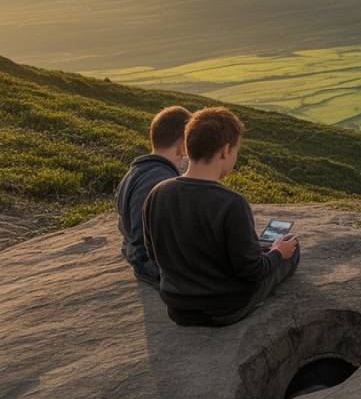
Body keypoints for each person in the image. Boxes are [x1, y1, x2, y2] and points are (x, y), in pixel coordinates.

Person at [143, 106, 299, 326]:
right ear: (226, 151)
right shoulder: (232, 203)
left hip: (178, 308)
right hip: (226, 308)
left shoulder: (157, 193)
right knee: (291, 249)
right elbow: (252, 272)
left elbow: (154, 254)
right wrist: (277, 253)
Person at [115, 106, 192, 287]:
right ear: (182, 146)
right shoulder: (159, 180)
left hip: (143, 259)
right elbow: (141, 235)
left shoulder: (136, 172)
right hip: (154, 270)